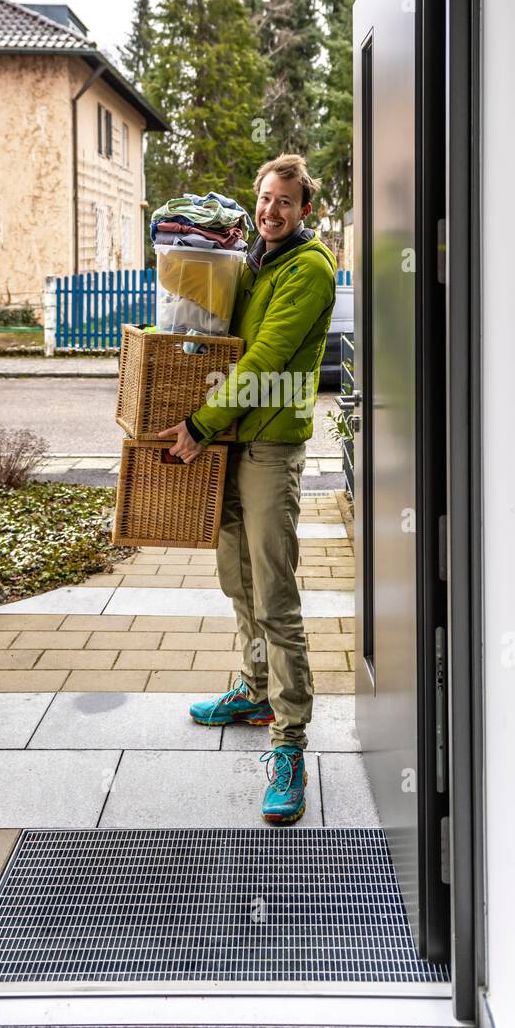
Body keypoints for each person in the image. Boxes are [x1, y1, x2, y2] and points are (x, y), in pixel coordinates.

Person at [159, 154, 337, 825]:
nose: (271, 210)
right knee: (237, 579)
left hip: (267, 446)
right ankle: (257, 689)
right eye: (265, 199)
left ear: (304, 210)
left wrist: (202, 423)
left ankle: (288, 739)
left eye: (285, 202)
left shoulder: (308, 271)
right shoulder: (256, 263)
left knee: (276, 593)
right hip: (233, 438)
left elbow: (263, 361)